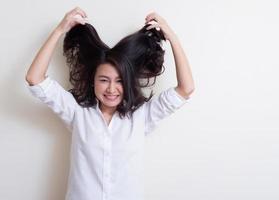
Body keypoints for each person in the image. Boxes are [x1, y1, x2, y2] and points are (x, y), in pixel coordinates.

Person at [25, 7, 194, 200]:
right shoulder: (77, 112)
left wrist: (171, 37)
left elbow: (186, 89)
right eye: (104, 80)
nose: (111, 89)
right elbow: (34, 78)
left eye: (119, 80)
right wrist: (59, 30)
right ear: (93, 81)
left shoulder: (142, 117)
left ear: (128, 82)